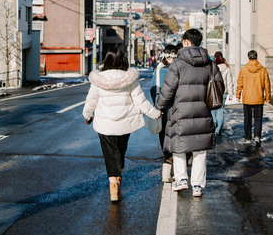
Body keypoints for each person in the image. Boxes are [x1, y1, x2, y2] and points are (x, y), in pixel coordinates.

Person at [83, 47, 161, 202]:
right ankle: (118, 178)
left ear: (106, 61)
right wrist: (155, 113)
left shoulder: (98, 80)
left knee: (109, 154)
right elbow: (140, 101)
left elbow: (91, 100)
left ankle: (113, 187)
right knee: (120, 151)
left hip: (105, 125)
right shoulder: (129, 78)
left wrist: (87, 115)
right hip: (126, 124)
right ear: (123, 60)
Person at [156, 29, 223, 198]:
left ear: (186, 42)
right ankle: (198, 186)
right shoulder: (209, 64)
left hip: (180, 113)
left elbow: (167, 89)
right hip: (203, 112)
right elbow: (220, 86)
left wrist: (160, 105)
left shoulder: (177, 64)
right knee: (200, 150)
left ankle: (181, 180)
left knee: (179, 146)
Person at [150, 44, 178, 182]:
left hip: (161, 109)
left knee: (163, 136)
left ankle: (167, 164)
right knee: (177, 137)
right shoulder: (179, 69)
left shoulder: (158, 71)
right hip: (177, 108)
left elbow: (152, 90)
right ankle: (178, 171)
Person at [236, 50, 271, 146]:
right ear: (257, 57)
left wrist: (238, 94)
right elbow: (267, 84)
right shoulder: (263, 70)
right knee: (258, 118)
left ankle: (247, 137)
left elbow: (240, 83)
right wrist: (267, 97)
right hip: (259, 97)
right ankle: (257, 136)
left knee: (247, 118)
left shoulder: (244, 69)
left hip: (247, 98)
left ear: (248, 58)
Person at [211, 51, 234, 136]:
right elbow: (229, 83)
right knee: (220, 110)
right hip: (223, 92)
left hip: (213, 92)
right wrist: (231, 94)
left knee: (212, 110)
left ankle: (213, 124)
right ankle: (218, 130)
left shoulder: (212, 67)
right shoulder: (227, 69)